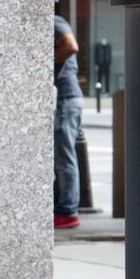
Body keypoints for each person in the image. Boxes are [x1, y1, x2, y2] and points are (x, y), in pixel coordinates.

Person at [54, 12, 83, 229]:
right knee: (61, 155)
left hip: (66, 97)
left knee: (64, 156)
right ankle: (64, 208)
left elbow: (71, 45)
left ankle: (67, 211)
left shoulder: (54, 21)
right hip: (65, 98)